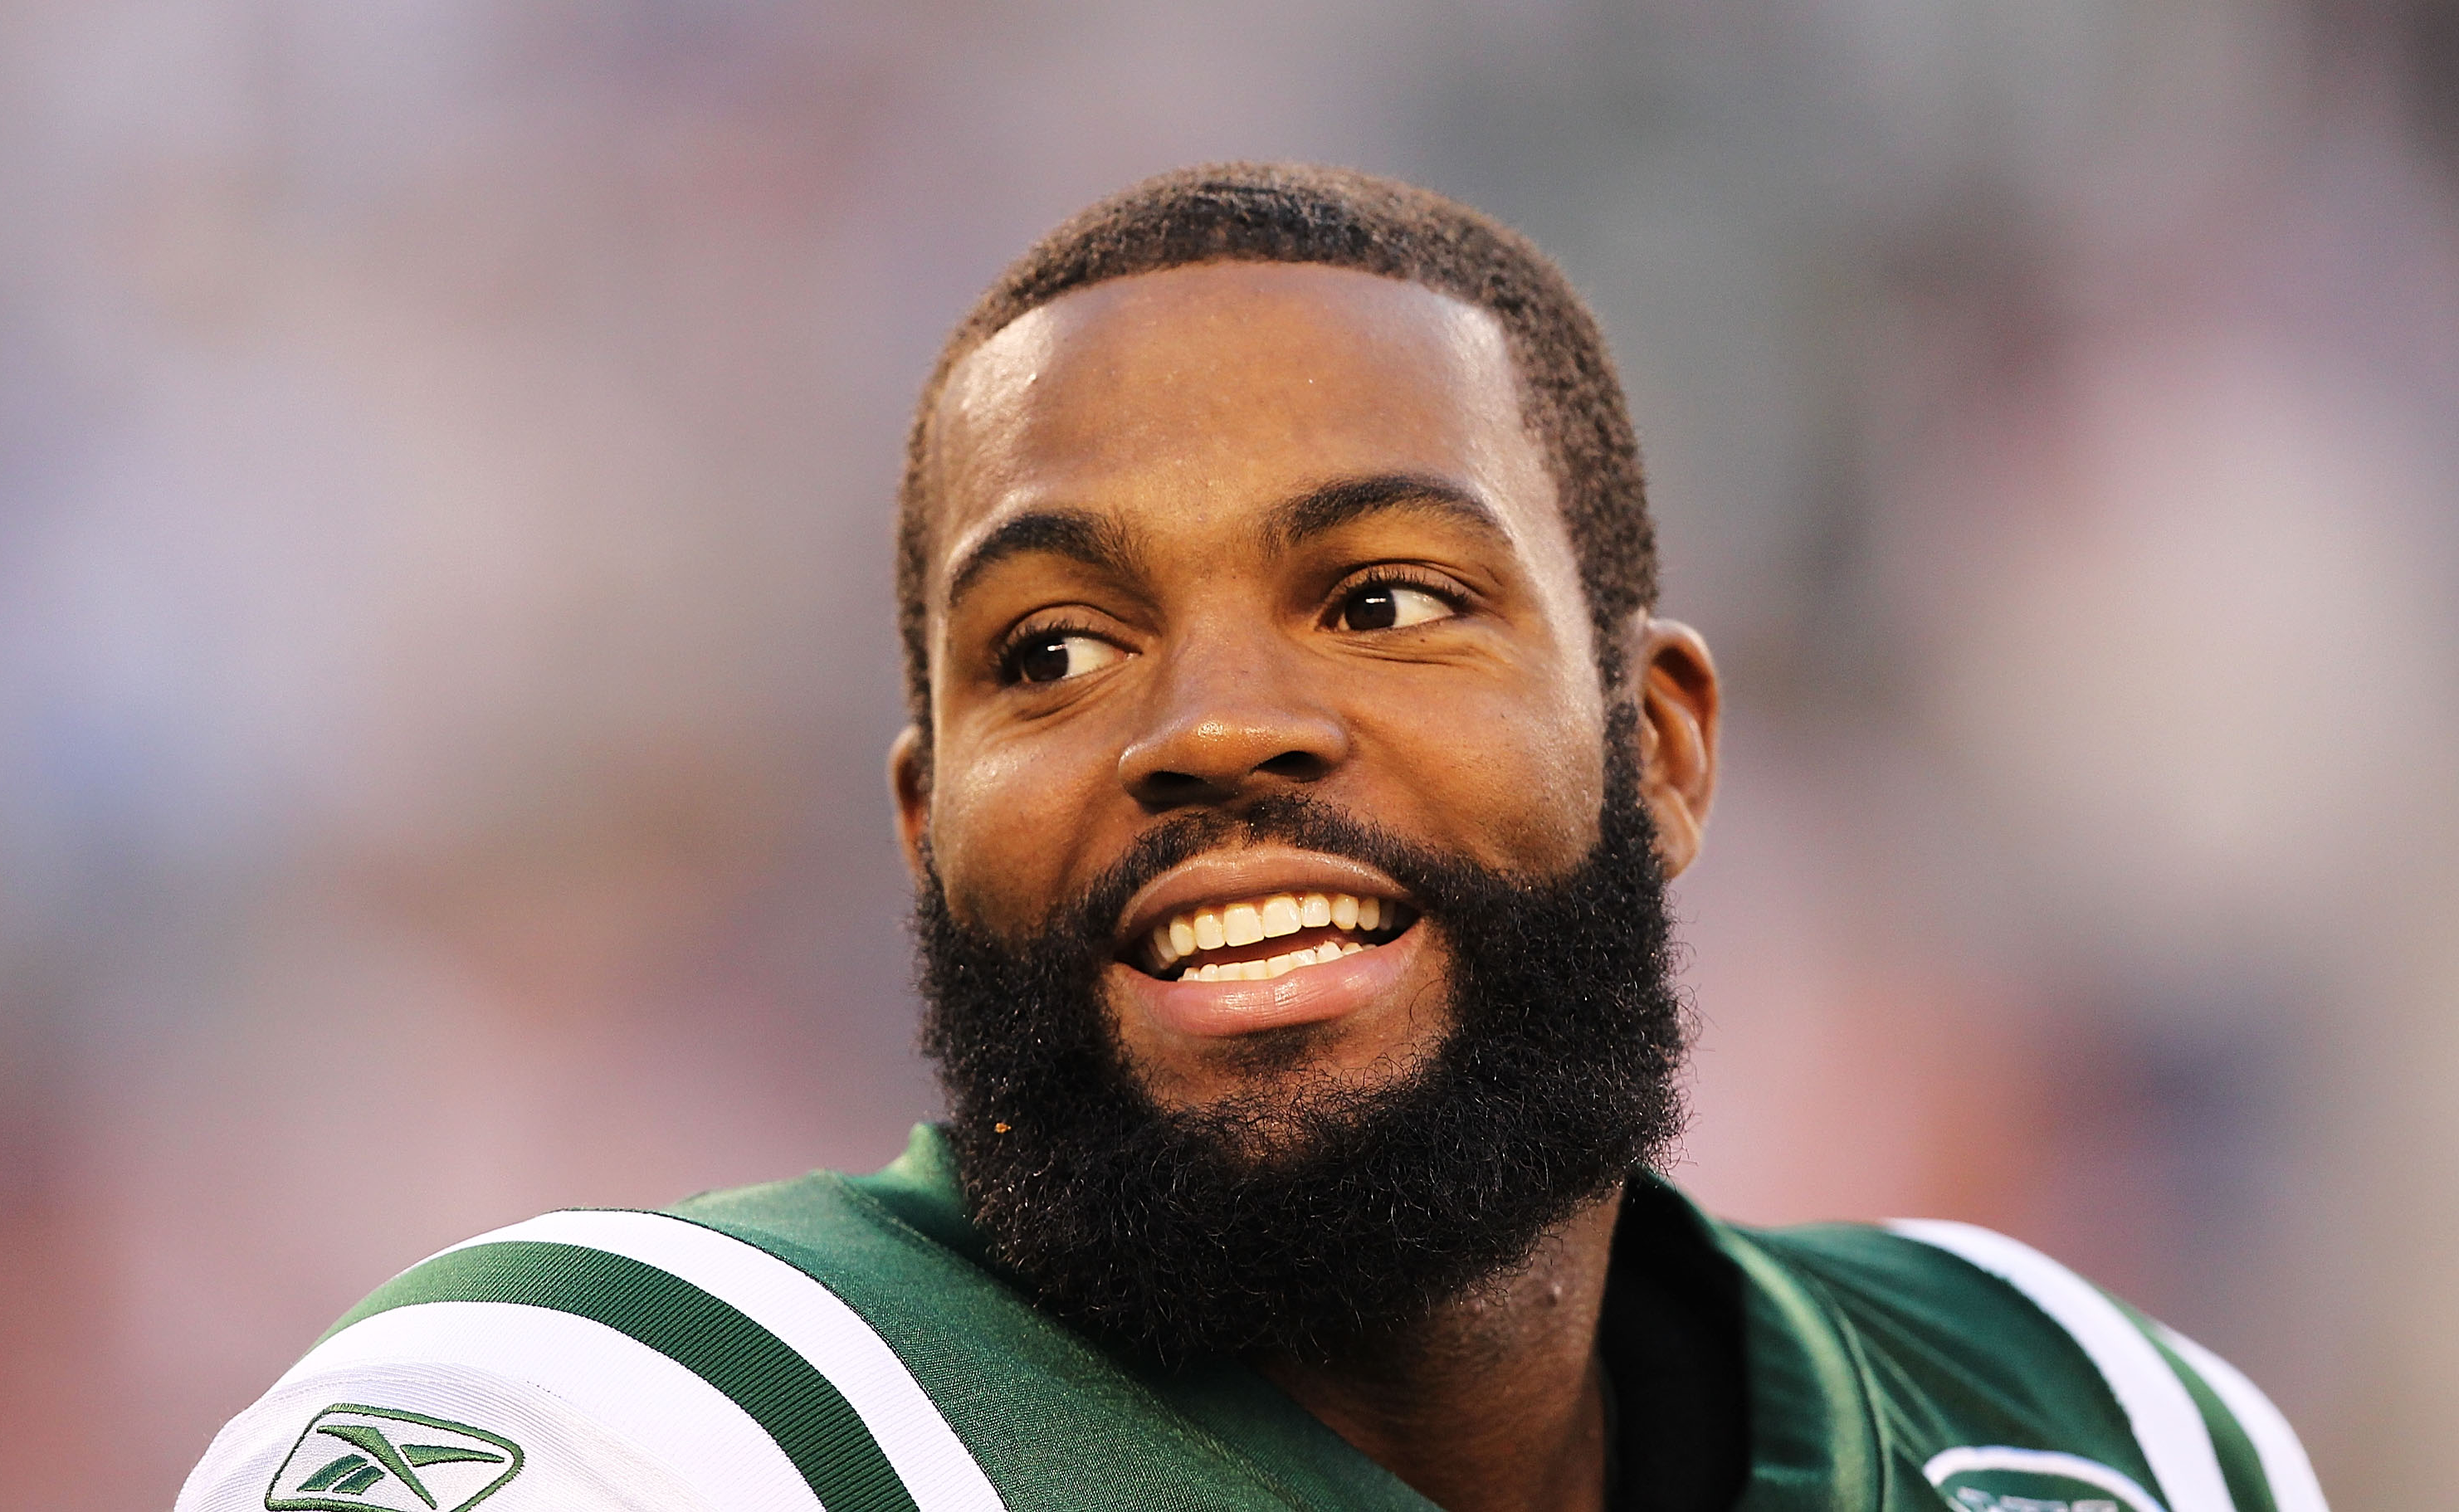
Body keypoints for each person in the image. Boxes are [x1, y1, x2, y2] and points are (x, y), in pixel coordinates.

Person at [177, 163, 2326, 1512]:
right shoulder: (640, 1425)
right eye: (1052, 648)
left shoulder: (2094, 1429)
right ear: (924, 830)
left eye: (1385, 601)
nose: (1211, 727)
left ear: (1656, 746)